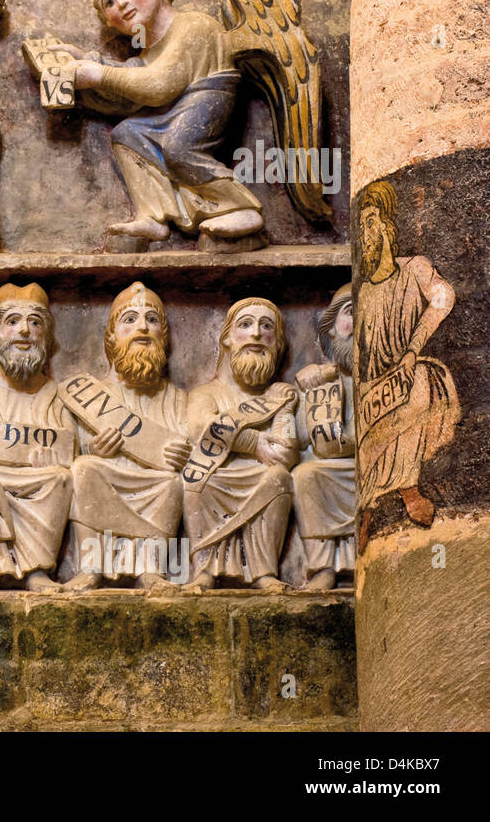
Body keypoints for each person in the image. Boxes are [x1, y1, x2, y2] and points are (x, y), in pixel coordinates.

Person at [56, 0, 264, 245]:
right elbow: (131, 89)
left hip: (207, 98)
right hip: (179, 108)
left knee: (178, 147)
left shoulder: (193, 25)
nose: (121, 3)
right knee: (127, 134)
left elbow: (158, 86)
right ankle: (153, 216)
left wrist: (99, 74)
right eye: (110, 3)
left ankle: (241, 207)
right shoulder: (150, 48)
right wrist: (87, 61)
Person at [66, 282, 192, 592]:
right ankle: (90, 566)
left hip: (156, 484)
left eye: (151, 320)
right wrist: (95, 448)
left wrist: (182, 454)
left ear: (163, 335)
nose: (142, 328)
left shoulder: (175, 397)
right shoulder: (89, 394)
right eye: (130, 319)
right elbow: (72, 449)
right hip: (107, 477)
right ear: (111, 337)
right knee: (83, 468)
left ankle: (151, 570)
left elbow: (190, 446)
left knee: (171, 483)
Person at [0, 283, 74, 594]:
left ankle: (37, 571)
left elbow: (68, 447)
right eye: (13, 322)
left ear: (45, 337)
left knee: (59, 479)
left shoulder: (56, 396)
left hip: (37, 482)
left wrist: (53, 460)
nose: (24, 331)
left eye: (35, 323)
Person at [355, 179, 459, 527]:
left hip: (408, 371)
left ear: (387, 227)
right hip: (378, 385)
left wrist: (412, 350)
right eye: (362, 226)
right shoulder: (366, 293)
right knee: (372, 429)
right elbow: (361, 354)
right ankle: (367, 509)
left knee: (420, 385)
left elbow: (444, 297)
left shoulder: (414, 268)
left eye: (371, 223)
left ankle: (409, 491)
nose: (366, 234)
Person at [183, 297, 297, 591]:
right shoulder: (206, 393)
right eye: (245, 325)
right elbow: (199, 429)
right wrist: (254, 442)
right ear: (227, 341)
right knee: (196, 479)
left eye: (266, 326)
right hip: (215, 474)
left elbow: (284, 453)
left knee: (279, 479)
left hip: (260, 476)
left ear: (278, 343)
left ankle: (264, 572)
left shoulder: (279, 396)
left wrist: (282, 407)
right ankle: (204, 570)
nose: (256, 334)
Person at [292, 284, 356, 589]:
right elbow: (301, 440)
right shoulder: (322, 381)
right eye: (351, 312)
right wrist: (304, 395)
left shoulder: (394, 376)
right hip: (337, 466)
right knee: (306, 474)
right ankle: (323, 568)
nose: (361, 323)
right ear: (331, 331)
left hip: (379, 464)